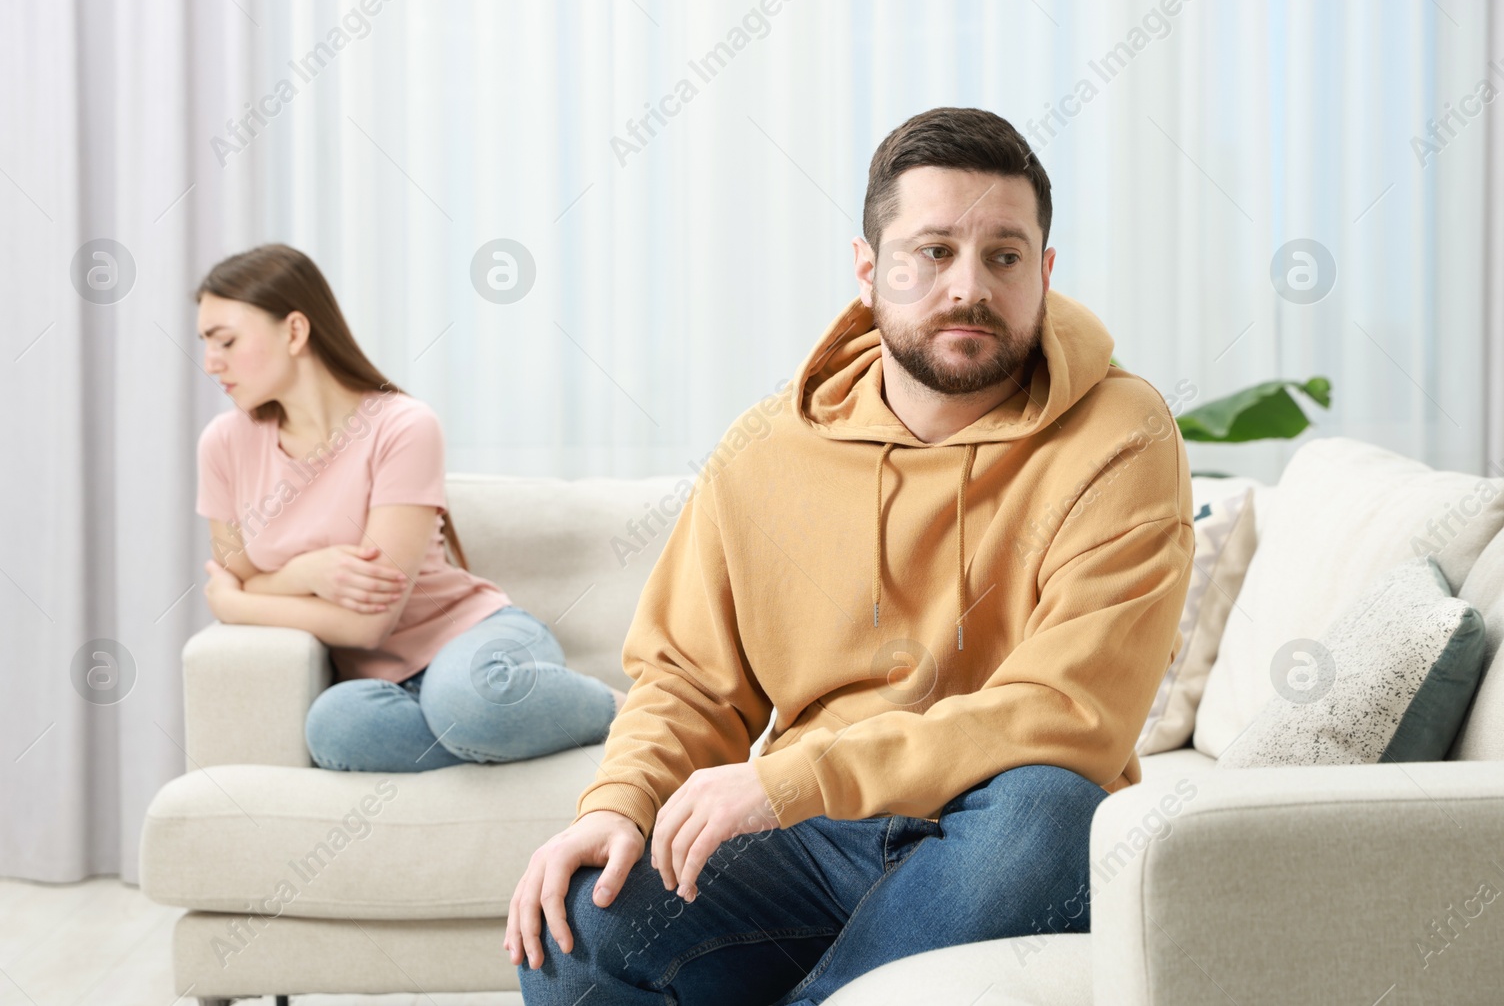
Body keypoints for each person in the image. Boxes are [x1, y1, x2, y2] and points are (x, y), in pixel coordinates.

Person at [506, 107, 1195, 1004]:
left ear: (1045, 271)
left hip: (990, 835)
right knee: (578, 923)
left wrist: (793, 777)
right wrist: (615, 805)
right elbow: (689, 680)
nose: (968, 287)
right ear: (869, 270)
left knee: (1051, 810)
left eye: (1005, 255)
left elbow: (1071, 710)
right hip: (810, 838)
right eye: (933, 250)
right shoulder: (765, 447)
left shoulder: (1121, 433)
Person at [193, 243, 625, 774]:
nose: (211, 362)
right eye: (206, 344)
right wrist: (308, 572)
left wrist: (239, 604)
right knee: (336, 728)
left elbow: (365, 626)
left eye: (226, 341)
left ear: (295, 331)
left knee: (468, 700)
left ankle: (628, 712)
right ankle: (491, 733)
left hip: (475, 640)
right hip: (384, 687)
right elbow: (234, 569)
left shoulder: (402, 426)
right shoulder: (223, 443)